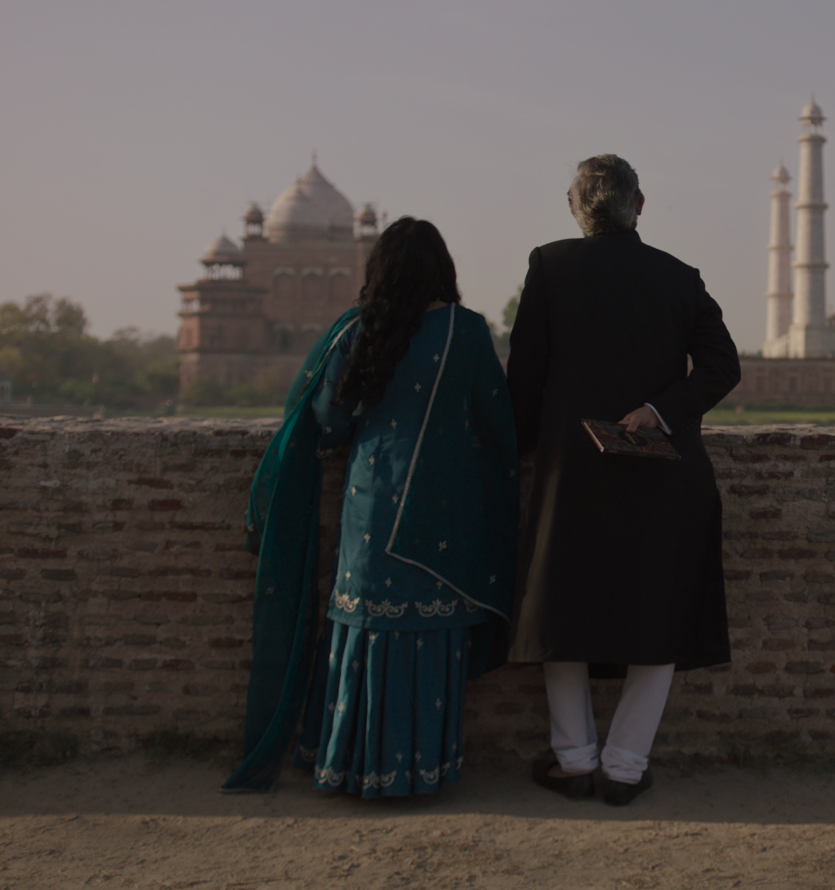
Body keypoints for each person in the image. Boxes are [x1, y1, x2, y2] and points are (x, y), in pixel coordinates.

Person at [222, 217, 518, 796]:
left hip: (370, 505)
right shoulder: (468, 331)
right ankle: (418, 772)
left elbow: (328, 423)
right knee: (428, 638)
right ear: (444, 270)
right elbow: (495, 426)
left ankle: (350, 765)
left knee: (367, 630)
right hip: (442, 510)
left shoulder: (360, 330)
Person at [506, 154, 740, 806]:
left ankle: (574, 760)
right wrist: (661, 410)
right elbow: (721, 367)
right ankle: (626, 767)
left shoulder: (551, 267)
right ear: (641, 206)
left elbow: (526, 375)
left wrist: (522, 449)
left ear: (577, 210)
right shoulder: (677, 277)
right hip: (659, 470)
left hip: (570, 472)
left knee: (561, 608)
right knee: (656, 611)